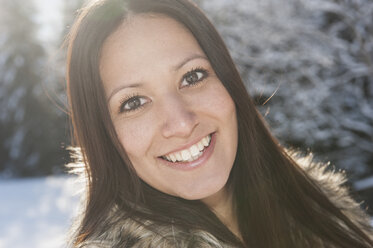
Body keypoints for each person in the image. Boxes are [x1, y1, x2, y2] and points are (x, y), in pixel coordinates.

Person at [66, 0, 373, 247]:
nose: (182, 123)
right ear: (103, 135)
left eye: (192, 77)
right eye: (133, 102)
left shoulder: (323, 216)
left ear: (229, 82)